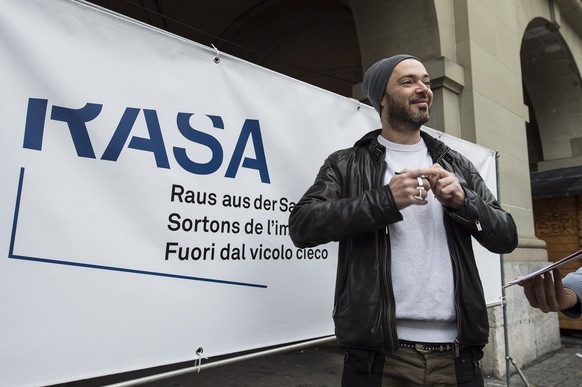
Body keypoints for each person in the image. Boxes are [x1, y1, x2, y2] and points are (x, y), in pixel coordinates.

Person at [288, 54, 518, 386]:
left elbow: (506, 236)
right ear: (381, 97)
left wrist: (464, 202)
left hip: (458, 357)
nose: (423, 88)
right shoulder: (345, 163)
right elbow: (302, 226)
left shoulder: (457, 164)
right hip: (379, 358)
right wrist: (385, 200)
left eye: (425, 80)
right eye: (408, 81)